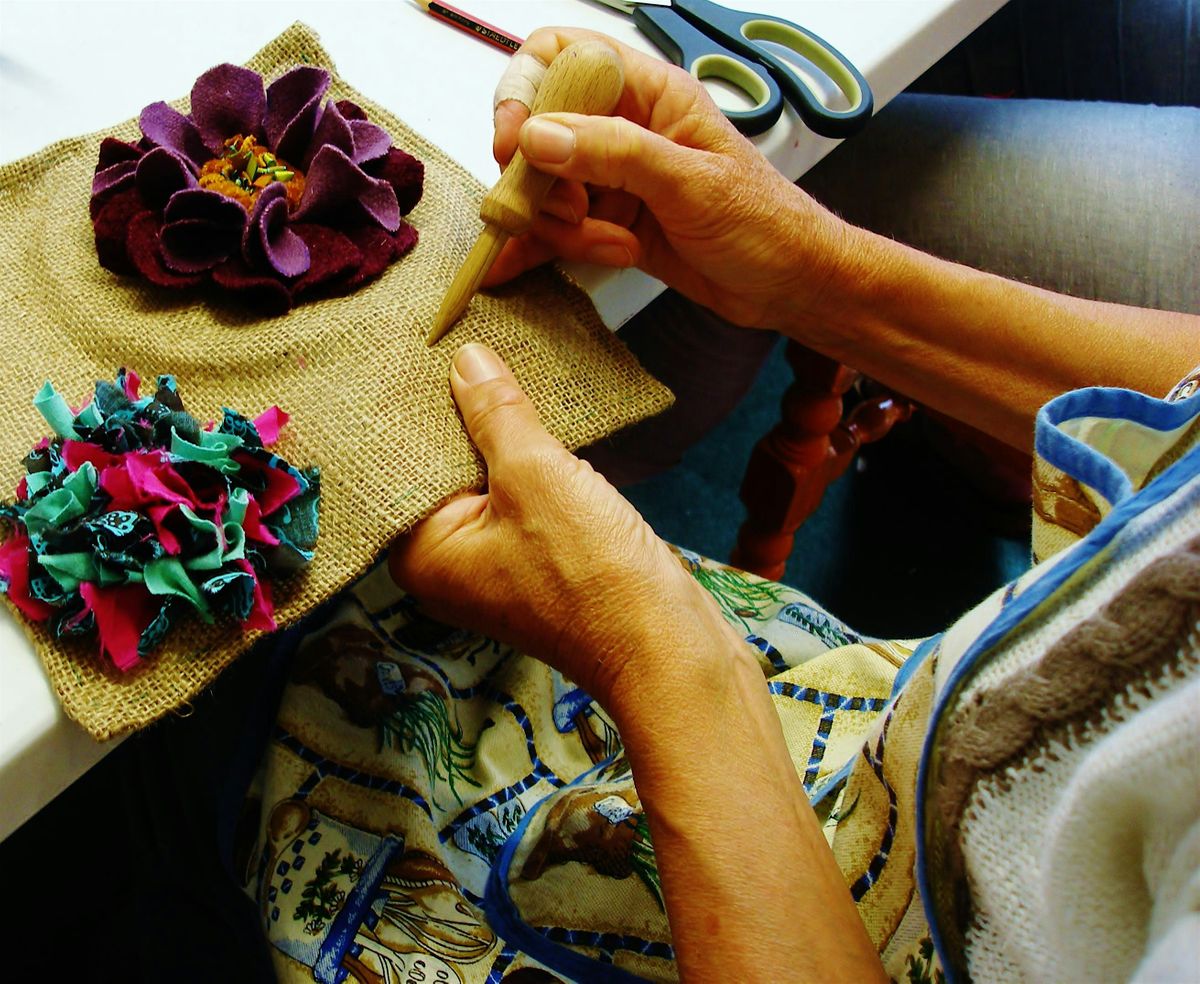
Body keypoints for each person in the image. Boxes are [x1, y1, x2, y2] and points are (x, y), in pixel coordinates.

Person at [236, 27, 1198, 984]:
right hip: (922, 708)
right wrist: (812, 270)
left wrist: (654, 652)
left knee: (199, 766)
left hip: (763, 880)